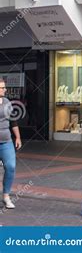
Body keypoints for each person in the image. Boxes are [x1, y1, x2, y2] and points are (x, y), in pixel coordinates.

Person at [0, 79, 22, 209]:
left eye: (4, 87)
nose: (4, 89)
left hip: (6, 141)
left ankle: (6, 196)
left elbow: (13, 121)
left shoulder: (7, 102)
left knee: (11, 166)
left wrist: (18, 137)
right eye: (2, 87)